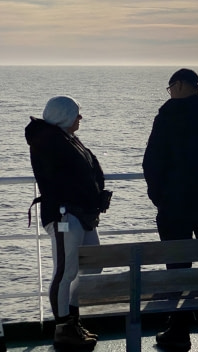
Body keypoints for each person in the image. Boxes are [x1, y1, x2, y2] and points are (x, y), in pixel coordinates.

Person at [142, 68, 198, 351]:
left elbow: (152, 161)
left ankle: (179, 330)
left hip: (175, 203)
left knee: (177, 266)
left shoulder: (167, 116)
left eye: (170, 89)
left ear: (179, 85)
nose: (170, 94)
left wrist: (159, 197)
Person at [25, 96, 112, 350]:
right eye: (76, 114)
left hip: (82, 214)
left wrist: (96, 195)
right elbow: (65, 178)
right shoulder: (48, 140)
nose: (80, 118)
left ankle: (72, 319)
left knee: (93, 266)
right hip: (64, 215)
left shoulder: (65, 138)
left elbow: (81, 173)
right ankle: (63, 328)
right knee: (65, 272)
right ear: (64, 116)